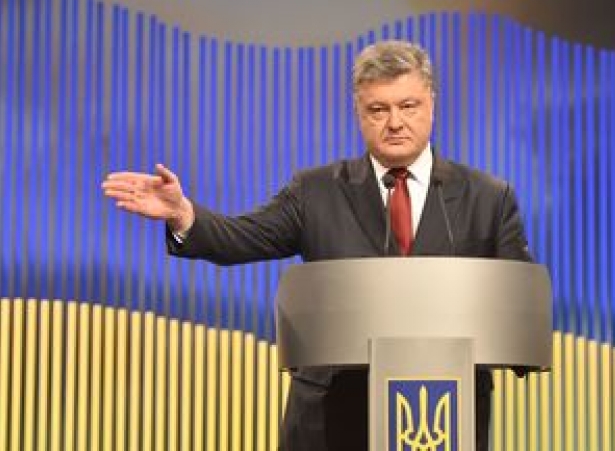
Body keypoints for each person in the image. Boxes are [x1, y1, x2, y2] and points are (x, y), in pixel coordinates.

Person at [102, 40, 533, 451]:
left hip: (441, 419)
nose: (395, 122)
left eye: (408, 106)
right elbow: (242, 238)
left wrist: (521, 346)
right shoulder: (316, 191)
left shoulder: (488, 197)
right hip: (330, 422)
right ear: (358, 112)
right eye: (378, 109)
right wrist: (183, 214)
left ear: (432, 106)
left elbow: (518, 308)